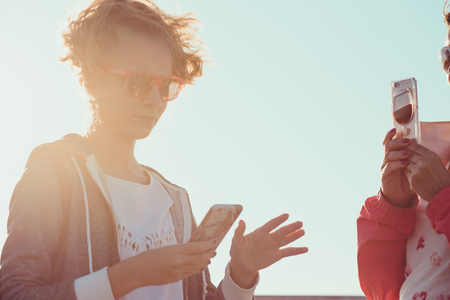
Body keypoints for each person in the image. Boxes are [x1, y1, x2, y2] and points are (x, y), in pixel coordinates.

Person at [0, 0, 308, 299]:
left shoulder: (175, 200)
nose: (154, 101)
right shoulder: (51, 175)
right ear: (91, 79)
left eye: (166, 86)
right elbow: (14, 293)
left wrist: (240, 275)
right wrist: (131, 275)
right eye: (138, 82)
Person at [357, 3, 450, 300]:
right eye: (448, 55)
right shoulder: (438, 160)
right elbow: (382, 291)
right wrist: (394, 207)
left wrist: (443, 199)